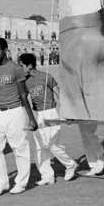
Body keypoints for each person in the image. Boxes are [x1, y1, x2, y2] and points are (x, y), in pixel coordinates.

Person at [0, 38, 38, 196]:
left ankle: (21, 182)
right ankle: (1, 183)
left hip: (15, 112)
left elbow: (22, 94)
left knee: (19, 148)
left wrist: (31, 117)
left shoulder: (15, 68)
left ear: (5, 50)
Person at [18, 52, 77, 183]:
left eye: (22, 66)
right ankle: (47, 176)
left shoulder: (46, 77)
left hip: (51, 113)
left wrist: (67, 112)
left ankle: (70, 164)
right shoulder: (25, 82)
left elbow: (59, 94)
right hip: (37, 115)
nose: (20, 68)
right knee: (40, 147)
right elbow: (23, 99)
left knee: (51, 144)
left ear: (30, 65)